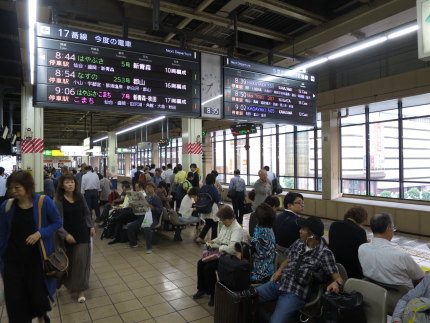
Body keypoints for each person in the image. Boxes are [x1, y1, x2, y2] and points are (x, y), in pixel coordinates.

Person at [0, 170, 62, 323]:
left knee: (36, 296)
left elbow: (57, 222)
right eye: (10, 188)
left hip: (36, 261)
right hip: (12, 262)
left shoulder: (43, 202)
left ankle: (41, 315)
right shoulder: (6, 206)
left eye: (17, 188)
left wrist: (40, 233)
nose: (13, 192)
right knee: (15, 301)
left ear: (27, 187)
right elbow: (2, 234)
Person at [257, 216, 342, 323]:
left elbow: (338, 278)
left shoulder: (325, 253)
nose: (299, 231)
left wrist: (336, 284)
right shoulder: (299, 242)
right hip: (279, 283)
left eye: (303, 229)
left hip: (295, 292)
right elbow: (287, 260)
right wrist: (279, 270)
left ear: (312, 235)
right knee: (248, 299)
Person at [54, 174, 95, 303]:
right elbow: (56, 221)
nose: (70, 184)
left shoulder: (80, 196)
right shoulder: (58, 200)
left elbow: (87, 213)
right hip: (66, 236)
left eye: (72, 182)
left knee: (81, 263)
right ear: (62, 185)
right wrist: (65, 235)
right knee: (66, 264)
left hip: (82, 234)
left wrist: (91, 226)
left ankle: (80, 290)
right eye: (67, 182)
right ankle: (60, 282)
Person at [193, 205, 244, 306]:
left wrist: (217, 247)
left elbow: (233, 249)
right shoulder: (226, 225)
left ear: (230, 218)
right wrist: (212, 242)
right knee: (201, 263)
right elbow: (220, 238)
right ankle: (202, 288)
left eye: (223, 220)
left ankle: (213, 294)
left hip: (229, 257)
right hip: (221, 253)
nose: (222, 222)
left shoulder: (237, 229)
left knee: (209, 267)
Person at [358, 213, 424, 289]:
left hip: (374, 293)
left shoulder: (362, 248)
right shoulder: (401, 256)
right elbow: (420, 277)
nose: (393, 231)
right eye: (393, 228)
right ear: (388, 228)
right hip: (402, 297)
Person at [329, 206, 368, 279]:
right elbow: (362, 253)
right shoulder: (360, 231)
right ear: (361, 219)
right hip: (353, 273)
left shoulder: (334, 225)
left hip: (334, 269)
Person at [126, 182, 162, 253]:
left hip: (152, 218)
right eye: (146, 187)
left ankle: (149, 248)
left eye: (149, 187)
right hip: (143, 217)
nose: (147, 189)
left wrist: (153, 208)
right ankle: (133, 243)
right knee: (130, 226)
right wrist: (134, 205)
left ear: (153, 189)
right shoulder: (145, 197)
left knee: (147, 228)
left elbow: (160, 210)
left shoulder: (156, 198)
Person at [251, 203, 276, 284]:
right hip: (265, 265)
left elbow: (253, 248)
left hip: (262, 271)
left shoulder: (262, 232)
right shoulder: (266, 228)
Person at [195, 174, 221, 244]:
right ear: (213, 180)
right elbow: (217, 199)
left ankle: (200, 237)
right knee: (215, 224)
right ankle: (213, 241)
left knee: (208, 223)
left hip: (204, 208)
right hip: (212, 208)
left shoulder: (203, 187)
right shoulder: (213, 188)